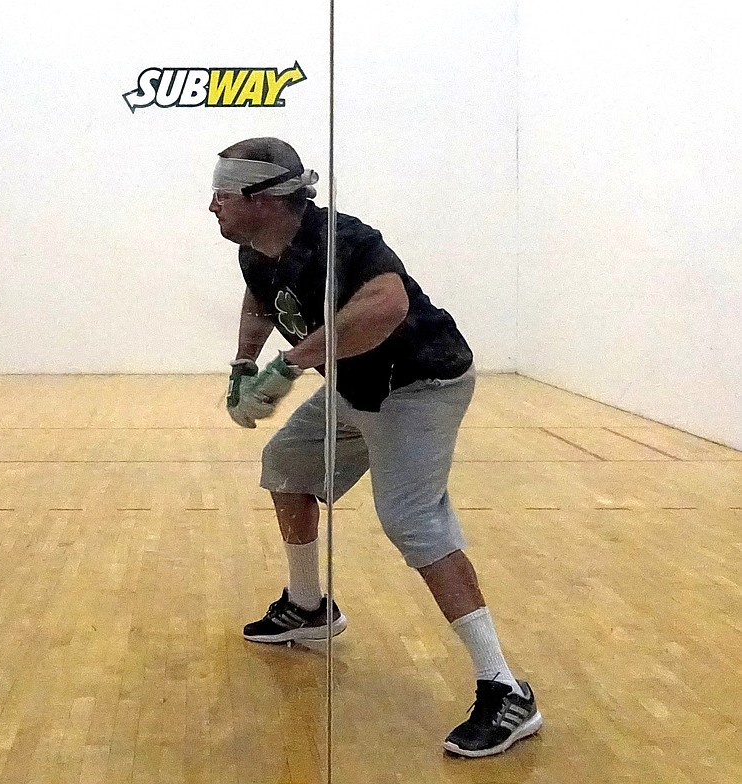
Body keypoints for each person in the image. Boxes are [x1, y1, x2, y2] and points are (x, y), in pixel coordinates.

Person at [210, 137, 541, 757]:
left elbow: (387, 306)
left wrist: (288, 366)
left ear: (262, 198)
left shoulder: (343, 241)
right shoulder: (254, 247)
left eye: (222, 195)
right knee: (285, 464)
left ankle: (506, 690)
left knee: (412, 519)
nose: (210, 207)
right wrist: (242, 363)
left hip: (419, 384)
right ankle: (309, 609)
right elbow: (261, 297)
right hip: (356, 385)